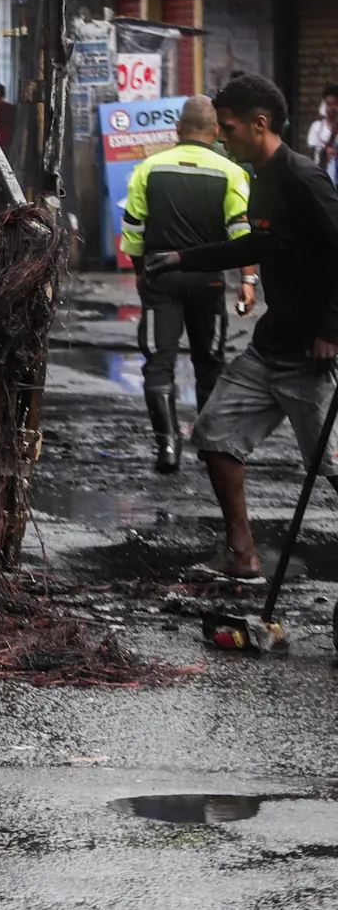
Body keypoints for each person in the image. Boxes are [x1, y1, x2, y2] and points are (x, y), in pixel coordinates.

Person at [146, 73, 338, 582]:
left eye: (228, 128)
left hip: (311, 360)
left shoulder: (303, 179)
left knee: (333, 467)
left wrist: (331, 331)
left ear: (260, 123)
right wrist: (180, 258)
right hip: (269, 349)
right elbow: (254, 245)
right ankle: (242, 555)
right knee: (214, 434)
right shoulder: (260, 179)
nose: (222, 137)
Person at [118, 95, 256, 472]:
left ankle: (167, 448)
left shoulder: (148, 168)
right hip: (208, 283)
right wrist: (248, 280)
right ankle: (210, 447)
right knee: (209, 364)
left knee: (158, 364)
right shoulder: (231, 172)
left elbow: (132, 231)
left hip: (162, 279)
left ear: (177, 130)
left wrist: (141, 273)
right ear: (215, 132)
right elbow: (242, 234)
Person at [307, 83, 338, 187]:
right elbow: (312, 154)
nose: (332, 108)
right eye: (329, 104)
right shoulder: (317, 127)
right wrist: (325, 150)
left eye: (336, 104)